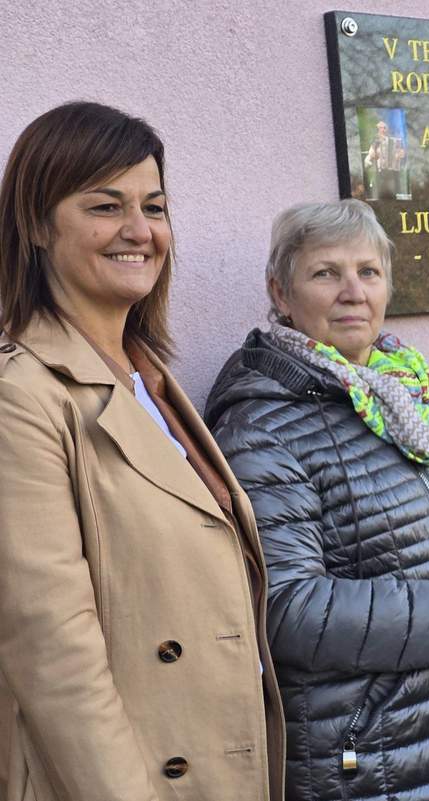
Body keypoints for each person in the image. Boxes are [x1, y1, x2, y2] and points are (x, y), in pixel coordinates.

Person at [204, 198, 429, 801]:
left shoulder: (397, 391)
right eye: (326, 273)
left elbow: (411, 519)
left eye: (368, 272)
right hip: (366, 752)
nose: (352, 291)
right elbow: (290, 610)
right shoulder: (262, 424)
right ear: (281, 292)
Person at [0, 102, 284, 800]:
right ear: (37, 223)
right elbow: (53, 656)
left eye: (153, 206)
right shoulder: (22, 394)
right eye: (105, 206)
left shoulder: (147, 377)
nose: (139, 230)